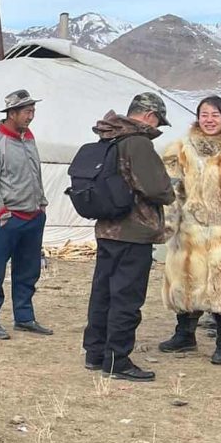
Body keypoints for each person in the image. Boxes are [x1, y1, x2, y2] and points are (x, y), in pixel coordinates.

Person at [82, 93, 174, 381]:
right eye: (158, 119)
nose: (157, 125)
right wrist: (171, 190)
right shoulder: (138, 143)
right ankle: (117, 360)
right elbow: (157, 188)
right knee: (126, 297)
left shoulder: (110, 137)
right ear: (148, 115)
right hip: (134, 231)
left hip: (107, 229)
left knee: (103, 293)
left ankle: (95, 353)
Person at [158, 96, 221, 365]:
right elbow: (171, 189)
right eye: (204, 114)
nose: (209, 119)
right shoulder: (181, 148)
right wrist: (169, 224)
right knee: (186, 282)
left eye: (215, 114)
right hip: (190, 229)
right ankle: (184, 336)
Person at [0, 89, 52, 339]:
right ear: (12, 113)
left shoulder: (28, 137)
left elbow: (35, 172)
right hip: (7, 218)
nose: (31, 116)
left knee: (29, 269)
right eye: (27, 112)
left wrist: (41, 203)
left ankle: (24, 316)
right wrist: (0, 211)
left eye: (33, 111)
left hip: (33, 216)